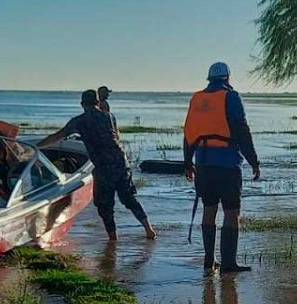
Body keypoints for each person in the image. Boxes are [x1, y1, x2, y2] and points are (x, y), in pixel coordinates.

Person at [37, 89, 155, 241]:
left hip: (103, 166)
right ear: (98, 102)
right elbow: (116, 136)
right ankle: (149, 230)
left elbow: (57, 136)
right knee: (129, 199)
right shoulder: (109, 116)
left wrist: (37, 147)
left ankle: (113, 239)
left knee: (105, 206)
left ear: (82, 104)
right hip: (121, 161)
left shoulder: (79, 121)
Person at [183, 61, 261, 274]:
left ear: (209, 79)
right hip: (227, 165)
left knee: (209, 209)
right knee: (232, 212)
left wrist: (188, 162)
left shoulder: (197, 99)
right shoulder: (232, 97)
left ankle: (209, 260)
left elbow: (188, 133)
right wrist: (254, 161)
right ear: (227, 78)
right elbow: (241, 130)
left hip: (203, 164)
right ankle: (228, 264)